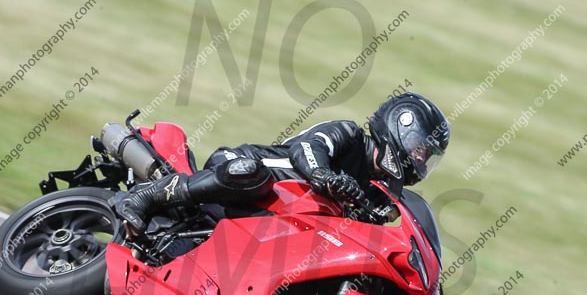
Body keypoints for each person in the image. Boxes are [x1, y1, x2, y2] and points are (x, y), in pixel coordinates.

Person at [115, 92, 450, 232]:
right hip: (244, 170)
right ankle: (148, 196)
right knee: (251, 173)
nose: (419, 159)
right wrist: (324, 176)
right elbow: (305, 147)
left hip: (274, 224)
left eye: (426, 156)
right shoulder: (348, 134)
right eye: (420, 149)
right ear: (399, 128)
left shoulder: (382, 194)